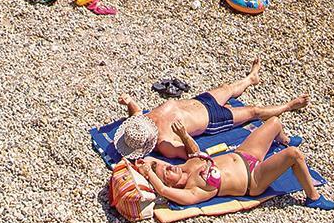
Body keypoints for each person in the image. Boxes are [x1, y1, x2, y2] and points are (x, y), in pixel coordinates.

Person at [114, 60, 309, 161]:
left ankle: (251, 78)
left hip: (199, 101)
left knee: (227, 88)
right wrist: (183, 135)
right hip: (214, 119)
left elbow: (136, 112)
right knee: (253, 111)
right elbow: (193, 154)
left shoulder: (141, 123)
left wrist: (129, 102)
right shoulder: (165, 143)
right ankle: (289, 106)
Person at [131, 116, 321, 208]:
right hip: (254, 178)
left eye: (165, 165)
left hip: (245, 154)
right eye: (166, 172)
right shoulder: (193, 191)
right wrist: (149, 174)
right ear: (169, 184)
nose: (169, 166)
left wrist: (184, 135)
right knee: (293, 155)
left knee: (274, 122)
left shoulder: (185, 167)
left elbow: (195, 151)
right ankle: (313, 198)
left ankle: (285, 139)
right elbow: (163, 191)